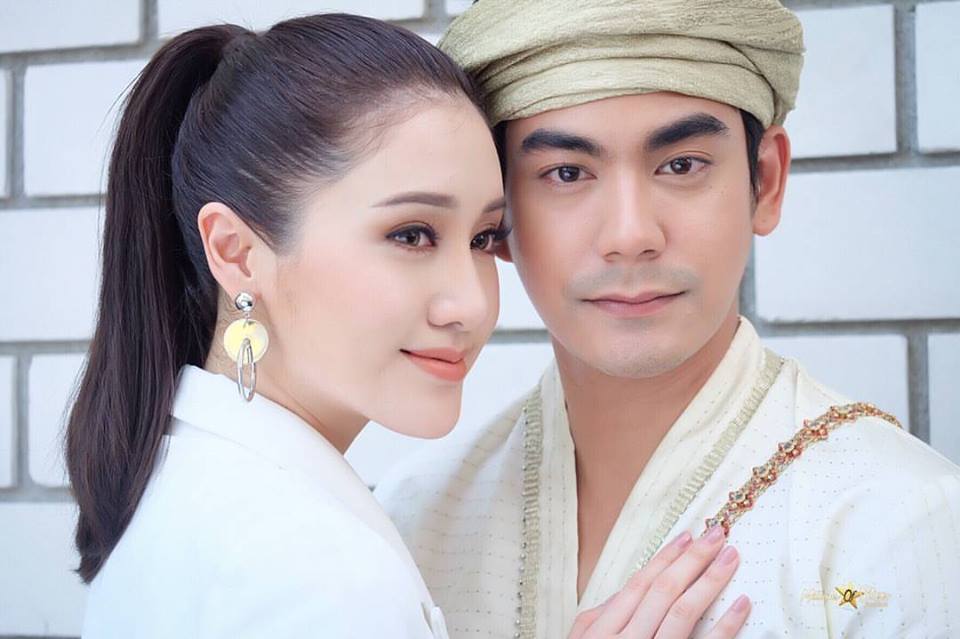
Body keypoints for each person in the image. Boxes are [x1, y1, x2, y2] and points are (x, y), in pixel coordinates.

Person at [66, 12, 752, 639]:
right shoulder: (319, 570)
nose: (471, 305)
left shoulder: (189, 477)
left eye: (483, 238)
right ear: (237, 253)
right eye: (412, 234)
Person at [375, 1, 960, 637]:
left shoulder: (896, 527)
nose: (630, 236)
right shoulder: (411, 518)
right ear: (497, 215)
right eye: (566, 173)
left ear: (765, 182)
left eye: (681, 165)